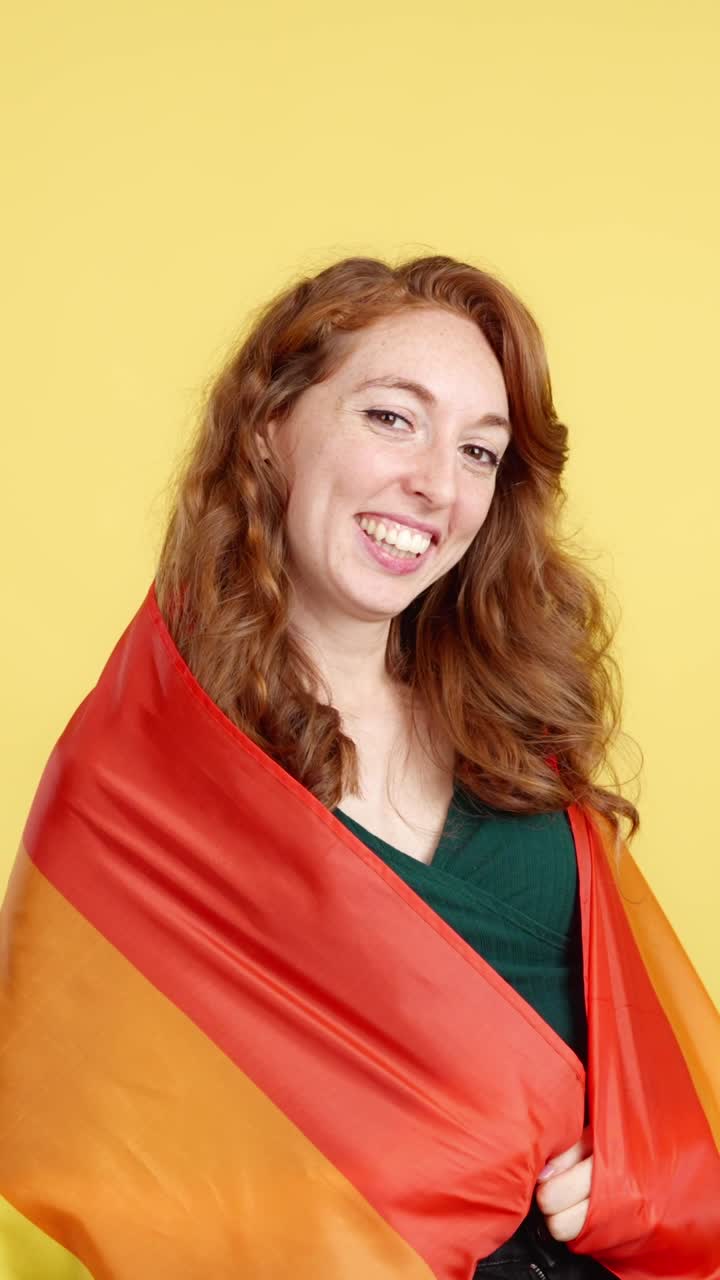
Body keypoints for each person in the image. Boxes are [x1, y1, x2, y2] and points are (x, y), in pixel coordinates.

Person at [1, 255, 718, 1280]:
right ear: (268, 427)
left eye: (480, 450)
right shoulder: (133, 786)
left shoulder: (517, 737)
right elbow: (86, 1153)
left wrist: (637, 1167)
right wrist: (419, 1173)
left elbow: (652, 1068)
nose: (438, 483)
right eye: (393, 418)